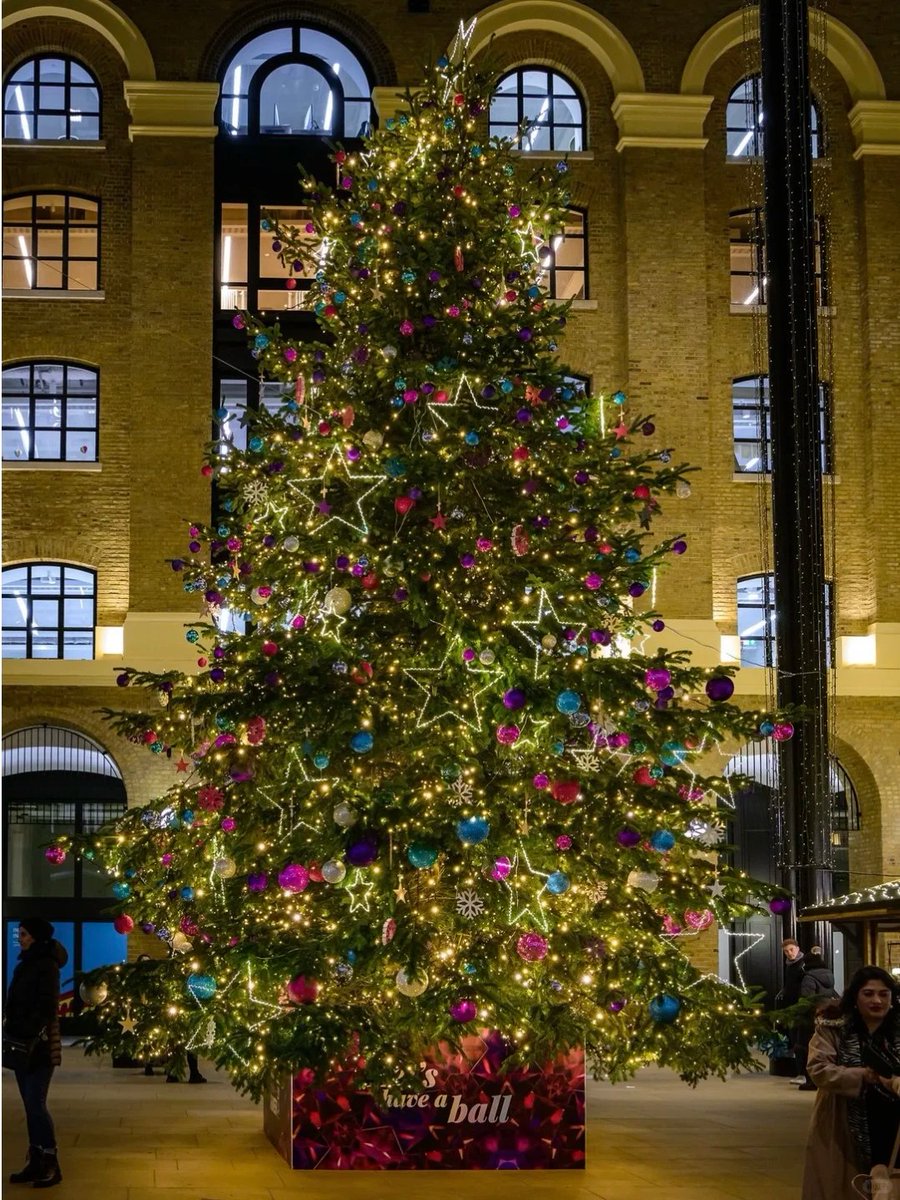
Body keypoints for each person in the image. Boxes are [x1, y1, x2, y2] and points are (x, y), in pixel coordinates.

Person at [801, 965, 900, 1200]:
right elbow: (819, 1069)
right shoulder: (833, 1028)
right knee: (845, 1187)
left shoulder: (896, 1030)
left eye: (883, 994)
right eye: (868, 994)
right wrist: (862, 1075)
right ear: (855, 997)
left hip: (892, 1126)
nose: (876, 1000)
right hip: (844, 1121)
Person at [4, 918, 67, 1187]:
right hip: (20, 1044)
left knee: (36, 1103)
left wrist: (26, 1027)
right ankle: (36, 1158)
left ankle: (52, 1160)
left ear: (37, 937)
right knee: (30, 1105)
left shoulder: (46, 966)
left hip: (38, 1046)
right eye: (20, 933)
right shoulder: (25, 964)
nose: (21, 938)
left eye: (25, 933)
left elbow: (47, 1008)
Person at [795, 947, 838, 1091]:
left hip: (810, 1018)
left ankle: (810, 1080)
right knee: (821, 1047)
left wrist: (799, 1012)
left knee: (805, 1047)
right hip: (824, 1015)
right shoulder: (829, 975)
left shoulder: (809, 977)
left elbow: (807, 999)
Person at [778, 938, 807, 1084]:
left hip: (800, 1007)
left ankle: (803, 1073)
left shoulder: (803, 965)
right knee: (794, 1038)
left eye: (791, 950)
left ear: (797, 948)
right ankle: (799, 1072)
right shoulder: (789, 965)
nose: (789, 953)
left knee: (800, 1040)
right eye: (786, 951)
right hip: (791, 1008)